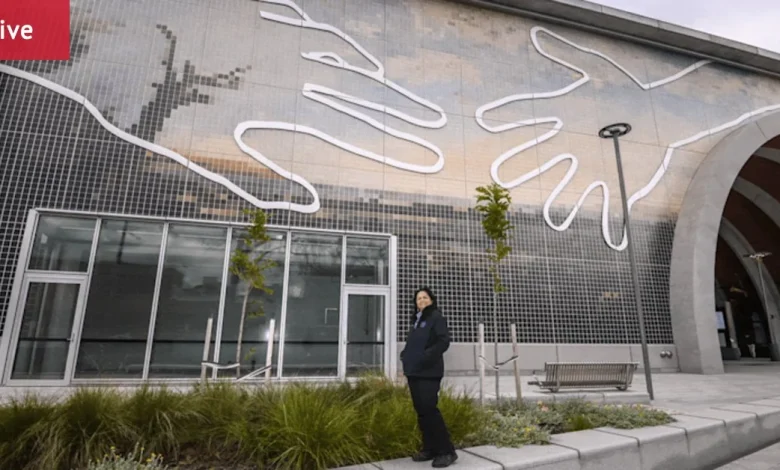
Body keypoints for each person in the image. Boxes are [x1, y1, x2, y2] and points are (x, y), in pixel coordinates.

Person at [400, 287, 458, 468]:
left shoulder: (436, 317)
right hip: (414, 372)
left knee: (430, 410)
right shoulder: (416, 321)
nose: (421, 301)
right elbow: (413, 344)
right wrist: (405, 355)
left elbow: (443, 341)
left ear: (431, 300)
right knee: (422, 412)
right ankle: (430, 448)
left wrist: (424, 358)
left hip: (429, 372)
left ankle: (447, 451)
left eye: (425, 297)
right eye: (418, 299)